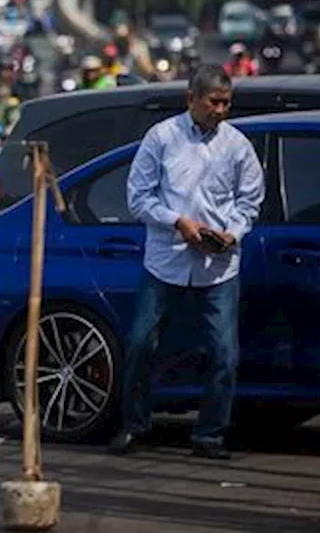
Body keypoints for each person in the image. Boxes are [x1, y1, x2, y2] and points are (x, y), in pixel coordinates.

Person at [110, 65, 265, 460]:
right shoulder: (162, 137)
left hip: (218, 266)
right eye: (214, 102)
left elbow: (249, 202)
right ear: (191, 99)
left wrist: (230, 233)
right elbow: (138, 198)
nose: (221, 110)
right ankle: (134, 425)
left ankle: (210, 434)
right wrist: (177, 222)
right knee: (142, 343)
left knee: (223, 353)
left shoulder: (237, 145)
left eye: (227, 103)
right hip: (166, 261)